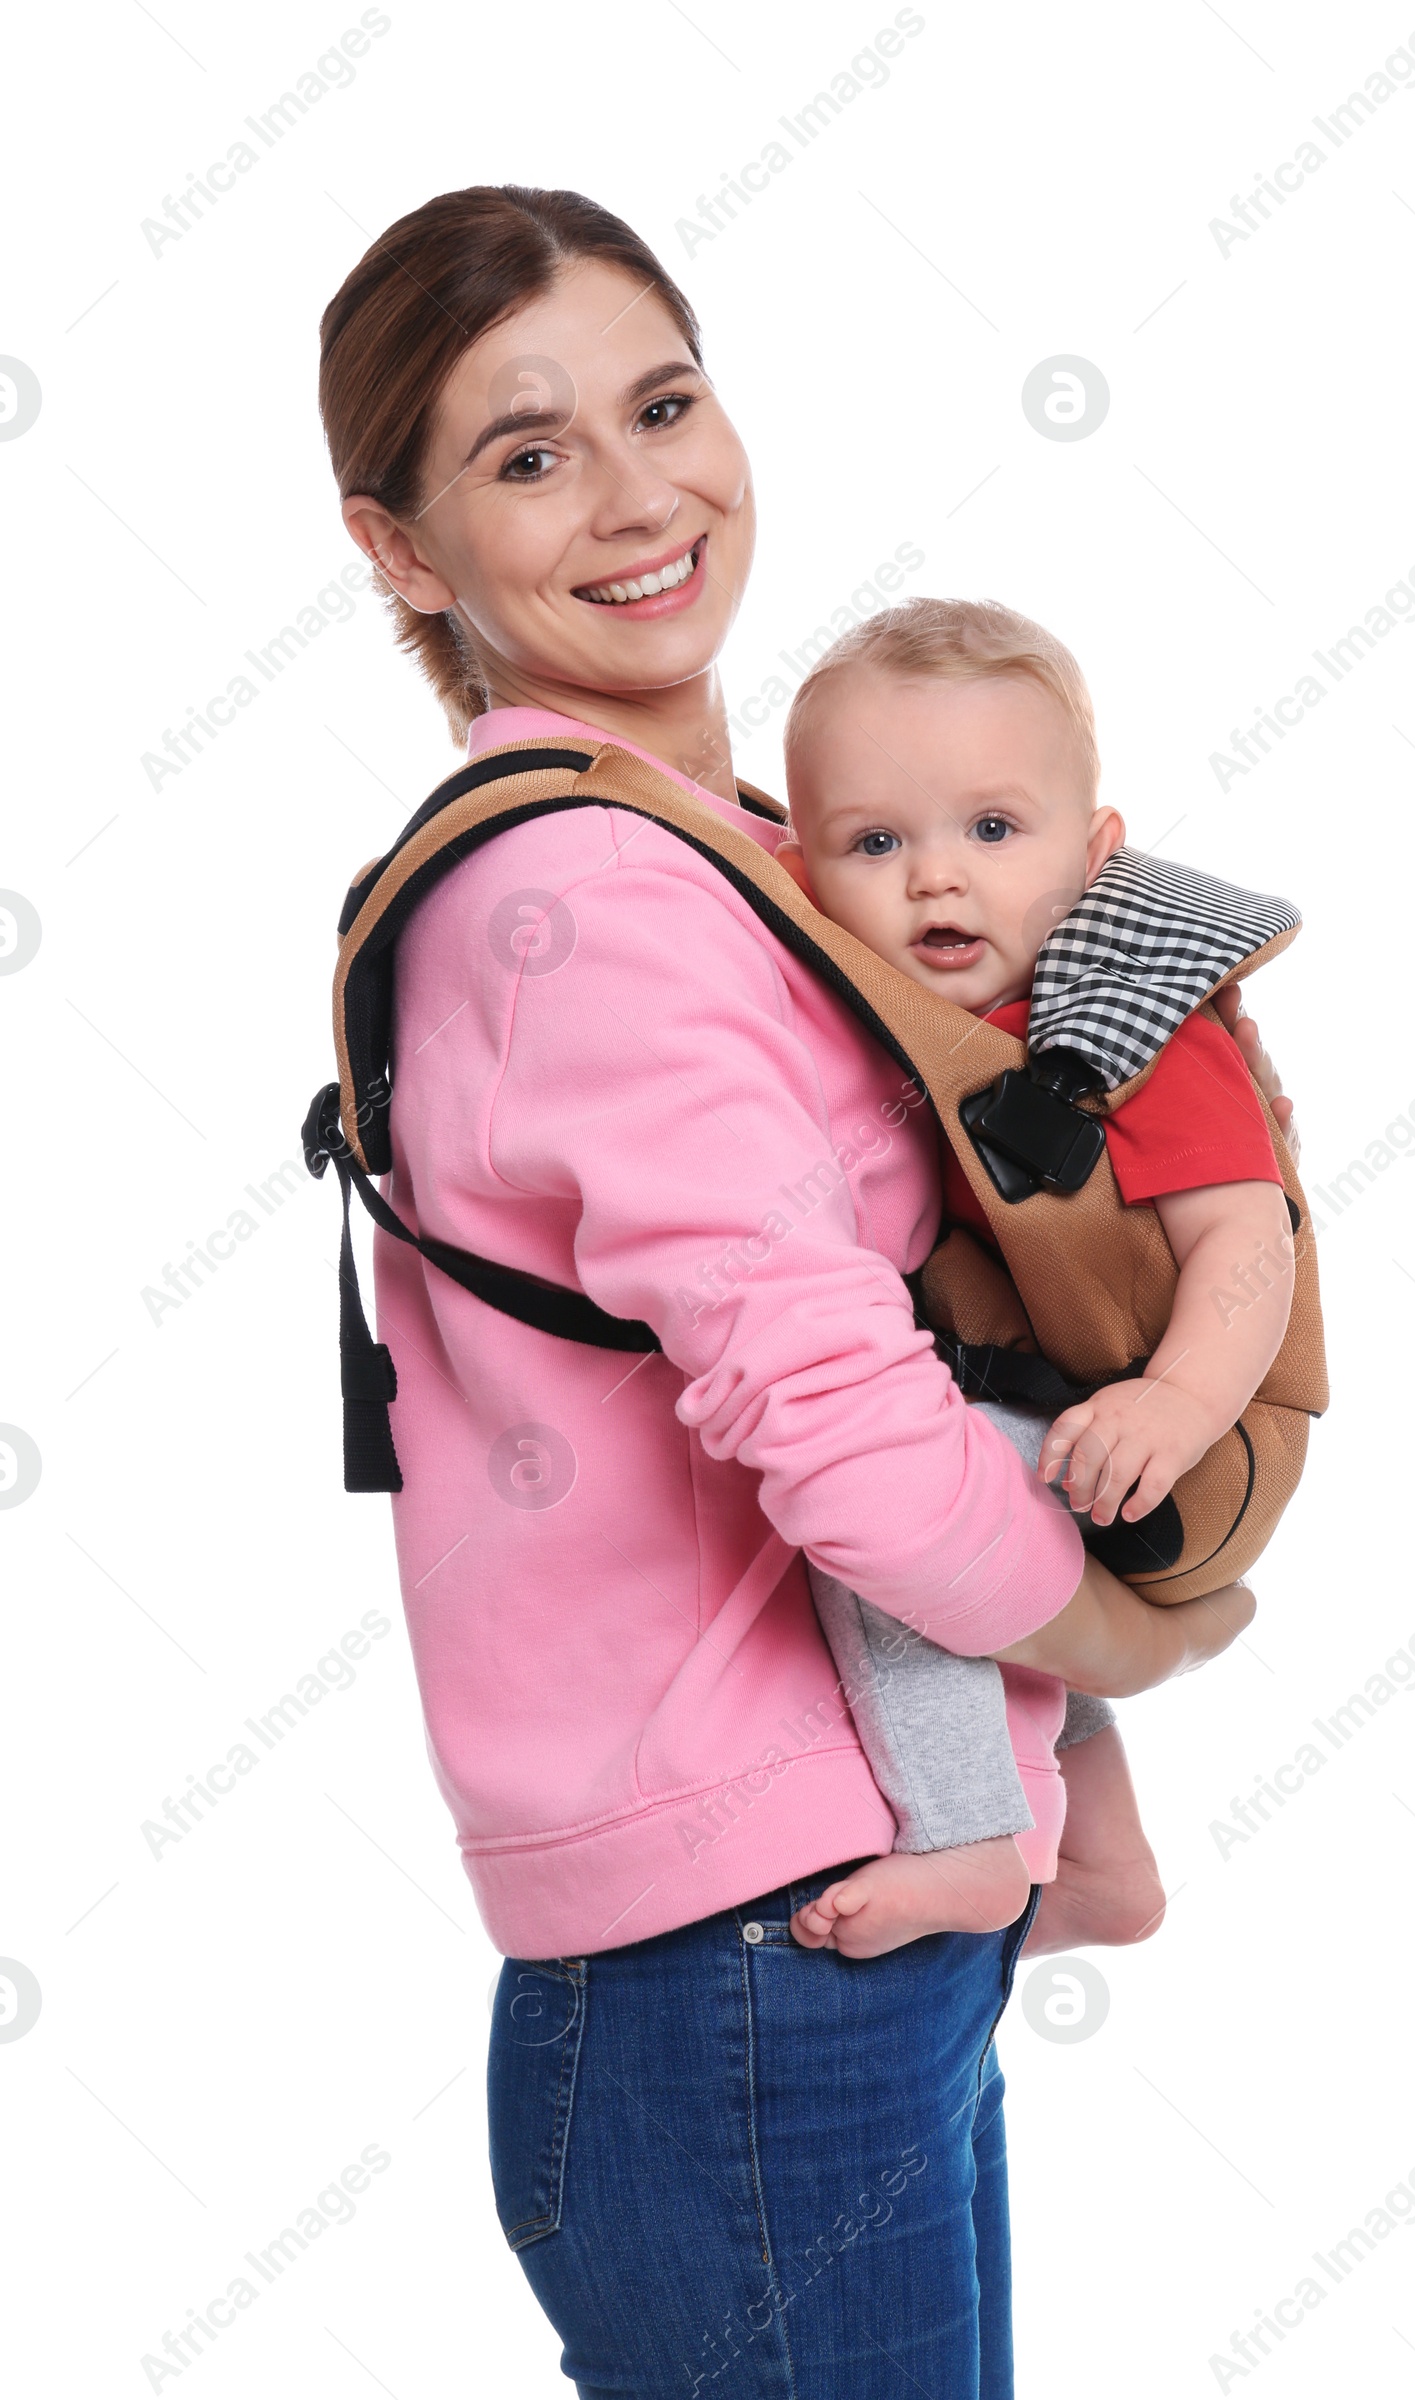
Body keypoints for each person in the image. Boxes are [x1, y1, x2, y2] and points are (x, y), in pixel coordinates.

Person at [318, 181, 1298, 2399]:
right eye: (527, 452)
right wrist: (1139, 1603)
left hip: (832, 1918)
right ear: (399, 549)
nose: (642, 492)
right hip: (749, 1949)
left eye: (664, 403)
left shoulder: (756, 843)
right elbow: (847, 1442)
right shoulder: (590, 892)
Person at [768, 596, 1296, 1962]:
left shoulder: (1120, 1031)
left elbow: (1248, 1241)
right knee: (1003, 1568)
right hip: (1062, 1411)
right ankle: (1106, 1865)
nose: (937, 879)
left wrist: (1173, 1406)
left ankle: (969, 1839)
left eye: (993, 830)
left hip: (1180, 1432)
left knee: (887, 1513)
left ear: (1096, 851)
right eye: (875, 843)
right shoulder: (926, 1026)